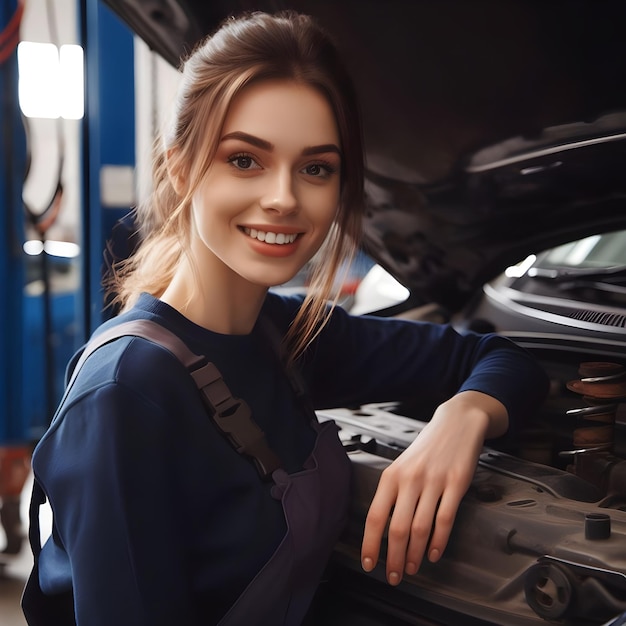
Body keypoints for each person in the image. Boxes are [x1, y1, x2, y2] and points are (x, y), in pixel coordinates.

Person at [23, 10, 549, 626]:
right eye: (245, 160)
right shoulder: (127, 394)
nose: (284, 197)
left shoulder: (288, 334)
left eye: (316, 168)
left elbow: (507, 358)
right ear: (180, 167)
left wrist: (462, 418)